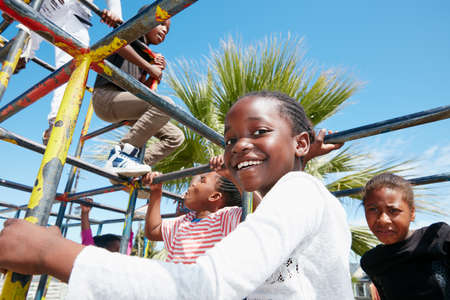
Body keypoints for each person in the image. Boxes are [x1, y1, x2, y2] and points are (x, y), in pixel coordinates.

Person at [0, 91, 353, 299]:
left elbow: (206, 287)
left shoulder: (299, 191)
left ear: (301, 142)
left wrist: (49, 252)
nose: (240, 145)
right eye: (230, 140)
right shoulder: (294, 199)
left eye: (259, 131)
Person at [3, 0, 123, 145]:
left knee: (77, 63)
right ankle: (19, 52)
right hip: (48, 5)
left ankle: (56, 122)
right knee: (27, 35)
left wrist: (115, 13)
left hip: (76, 13)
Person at [96, 7, 184, 177]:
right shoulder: (131, 33)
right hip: (106, 97)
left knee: (176, 136)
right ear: (147, 20)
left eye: (167, 29)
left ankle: (130, 168)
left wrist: (151, 70)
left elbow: (139, 88)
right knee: (165, 104)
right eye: (161, 24)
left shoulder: (146, 53)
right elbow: (118, 43)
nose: (164, 30)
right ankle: (120, 153)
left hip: (125, 102)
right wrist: (149, 67)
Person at [360, 173, 450, 300]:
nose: (382, 220)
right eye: (373, 209)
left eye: (393, 210)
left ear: (412, 213)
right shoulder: (371, 261)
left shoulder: (437, 238)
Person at [143, 171, 242, 264]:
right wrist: (156, 192)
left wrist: (232, 174)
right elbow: (153, 231)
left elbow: (256, 212)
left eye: (202, 180)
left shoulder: (225, 218)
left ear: (214, 196)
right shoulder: (185, 221)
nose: (193, 184)